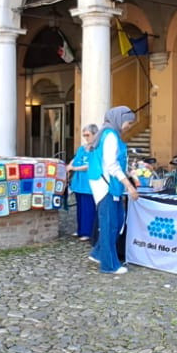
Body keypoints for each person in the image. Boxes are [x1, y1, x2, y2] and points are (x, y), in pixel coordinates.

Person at [89, 105, 139, 275]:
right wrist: (129, 185)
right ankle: (109, 265)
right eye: (129, 123)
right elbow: (111, 165)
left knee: (116, 222)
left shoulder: (109, 134)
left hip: (109, 185)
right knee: (110, 224)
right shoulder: (110, 135)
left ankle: (98, 253)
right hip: (107, 186)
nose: (129, 127)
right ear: (120, 119)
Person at [68, 123, 99, 241]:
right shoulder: (82, 148)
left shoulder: (96, 149)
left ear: (95, 134)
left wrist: (74, 168)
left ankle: (88, 231)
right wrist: (69, 166)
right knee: (80, 207)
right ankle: (80, 229)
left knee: (88, 208)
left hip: (89, 183)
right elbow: (75, 159)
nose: (86, 138)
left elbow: (90, 165)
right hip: (79, 182)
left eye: (88, 135)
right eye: (84, 135)